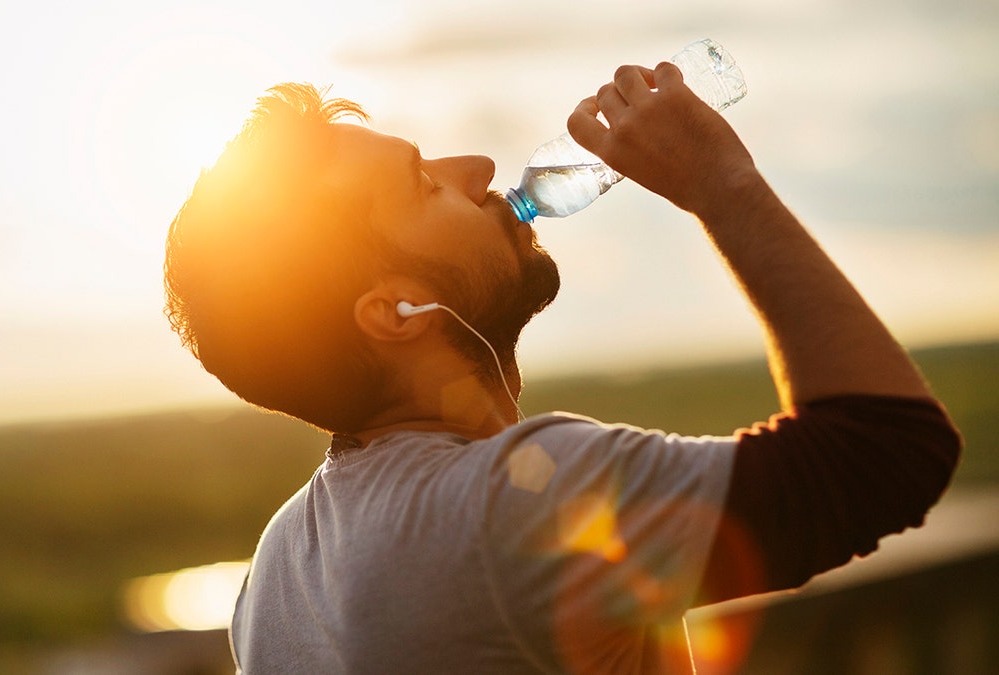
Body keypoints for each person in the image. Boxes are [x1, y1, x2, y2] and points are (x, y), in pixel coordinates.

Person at [163, 62, 961, 673]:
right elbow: (883, 452)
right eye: (423, 182)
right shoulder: (511, 504)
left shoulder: (274, 574)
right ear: (392, 311)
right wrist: (723, 184)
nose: (476, 165)